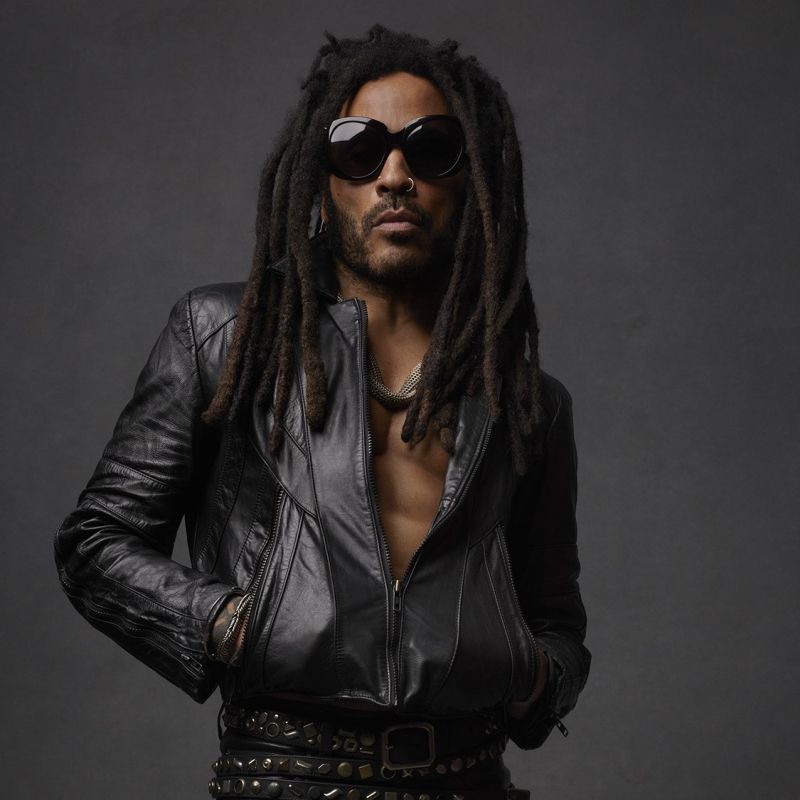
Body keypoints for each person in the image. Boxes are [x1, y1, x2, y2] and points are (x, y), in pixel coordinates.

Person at [55, 25, 591, 800]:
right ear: (321, 176)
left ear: (472, 179)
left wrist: (535, 673)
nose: (395, 176)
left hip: (472, 779)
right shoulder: (225, 339)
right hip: (284, 774)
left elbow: (557, 621)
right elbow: (94, 542)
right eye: (359, 150)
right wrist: (236, 624)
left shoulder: (527, 401)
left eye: (431, 149)